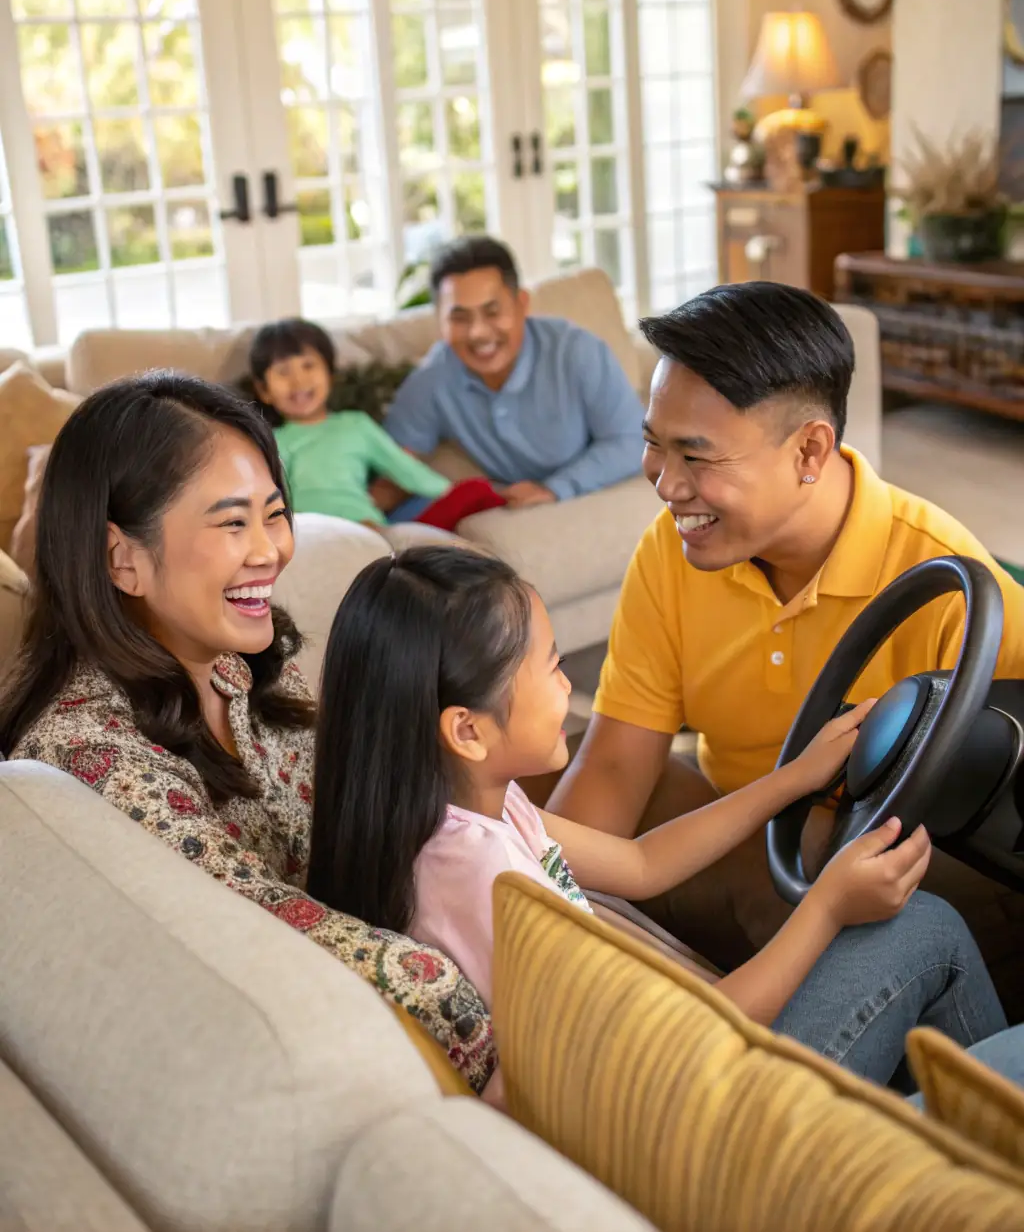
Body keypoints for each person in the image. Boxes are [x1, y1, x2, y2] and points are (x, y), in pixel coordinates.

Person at [307, 544, 1006, 1105]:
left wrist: (792, 778)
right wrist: (827, 907)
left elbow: (642, 863)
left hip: (660, 1078)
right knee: (929, 930)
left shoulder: (467, 813)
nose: (565, 689)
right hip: (691, 1120)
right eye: (551, 670)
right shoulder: (483, 879)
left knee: (917, 932)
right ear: (466, 729)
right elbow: (687, 1032)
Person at [0, 371, 494, 1092]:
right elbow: (267, 934)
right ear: (121, 558)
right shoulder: (90, 755)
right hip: (322, 1052)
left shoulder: (242, 664)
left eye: (274, 512)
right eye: (233, 522)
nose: (272, 549)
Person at [548, 281, 1024, 988]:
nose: (664, 483)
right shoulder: (671, 552)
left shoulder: (947, 582)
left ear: (809, 451)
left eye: (697, 456)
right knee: (525, 746)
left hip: (876, 872)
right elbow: (616, 766)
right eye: (653, 444)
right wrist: (535, 924)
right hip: (733, 822)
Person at [382, 235, 644, 512]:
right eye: (459, 318)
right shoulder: (433, 378)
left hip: (610, 489)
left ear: (522, 303)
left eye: (492, 312)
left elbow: (631, 440)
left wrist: (555, 488)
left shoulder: (576, 351)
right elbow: (394, 465)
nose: (478, 333)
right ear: (440, 320)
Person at [249, 318, 505, 531]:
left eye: (308, 366)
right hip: (312, 529)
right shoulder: (273, 441)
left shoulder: (356, 425)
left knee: (474, 490)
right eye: (283, 372)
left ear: (330, 374)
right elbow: (273, 500)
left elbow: (405, 469)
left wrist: (450, 493)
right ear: (264, 390)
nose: (298, 381)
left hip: (369, 524)